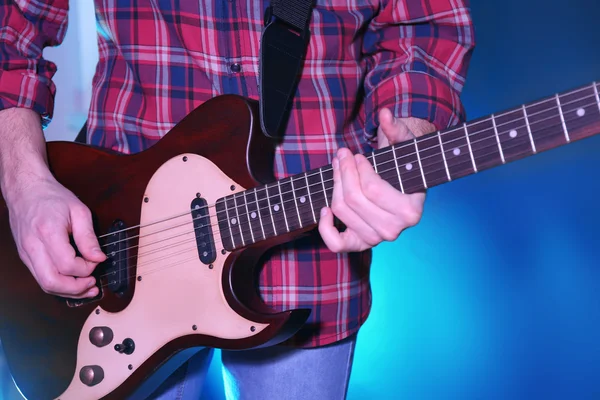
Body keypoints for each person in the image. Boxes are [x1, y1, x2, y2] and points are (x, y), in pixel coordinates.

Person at [0, 0, 475, 399]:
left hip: (309, 249)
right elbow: (11, 24)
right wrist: (23, 184)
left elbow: (425, 29)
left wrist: (407, 142)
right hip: (120, 238)